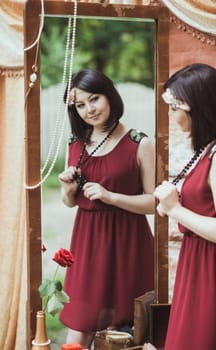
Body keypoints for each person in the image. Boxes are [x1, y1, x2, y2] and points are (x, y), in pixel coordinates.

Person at [58, 68, 155, 348]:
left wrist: (112, 197)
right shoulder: (75, 144)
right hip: (87, 243)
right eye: (80, 105)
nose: (89, 109)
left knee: (121, 331)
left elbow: (153, 202)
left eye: (95, 99)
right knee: (79, 326)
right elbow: (70, 202)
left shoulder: (139, 142)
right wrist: (67, 190)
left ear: (110, 95)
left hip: (129, 243)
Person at [154, 63, 216, 350]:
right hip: (201, 261)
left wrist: (176, 209)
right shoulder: (215, 145)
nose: (171, 115)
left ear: (199, 108)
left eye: (175, 107)